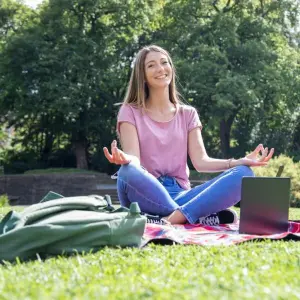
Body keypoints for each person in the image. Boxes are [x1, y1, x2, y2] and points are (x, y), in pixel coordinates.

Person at [103, 45, 274, 225]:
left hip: (181, 193)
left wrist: (238, 162)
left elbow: (201, 162)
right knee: (128, 171)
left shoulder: (188, 114)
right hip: (145, 190)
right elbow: (135, 161)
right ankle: (196, 214)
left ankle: (173, 217)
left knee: (244, 174)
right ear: (142, 75)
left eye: (164, 62)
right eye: (151, 65)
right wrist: (125, 158)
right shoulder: (129, 111)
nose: (160, 69)